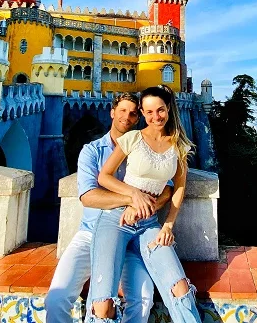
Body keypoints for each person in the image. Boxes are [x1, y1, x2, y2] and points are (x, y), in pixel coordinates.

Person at [45, 92, 173, 323]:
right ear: (112, 112)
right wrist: (133, 198)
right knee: (57, 299)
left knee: (143, 299)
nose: (127, 117)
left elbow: (167, 189)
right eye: (122, 111)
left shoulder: (149, 147)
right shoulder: (93, 151)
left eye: (133, 113)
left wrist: (144, 206)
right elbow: (89, 197)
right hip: (91, 231)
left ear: (139, 118)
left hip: (133, 235)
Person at [88, 85, 201, 323]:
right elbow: (104, 177)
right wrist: (133, 195)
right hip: (116, 219)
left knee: (179, 288)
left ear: (168, 109)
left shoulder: (179, 145)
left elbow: (178, 187)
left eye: (160, 110)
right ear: (142, 112)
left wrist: (168, 225)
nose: (155, 117)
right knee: (103, 304)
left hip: (149, 224)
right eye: (148, 112)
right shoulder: (132, 138)